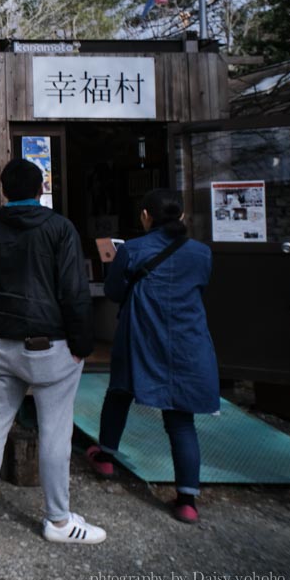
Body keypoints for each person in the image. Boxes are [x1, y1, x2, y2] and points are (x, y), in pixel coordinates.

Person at [0, 158, 105, 544]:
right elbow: (75, 291)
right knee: (55, 431)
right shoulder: (60, 228)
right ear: (40, 189)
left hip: (2, 345)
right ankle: (58, 522)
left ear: (4, 191)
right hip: (53, 347)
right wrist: (82, 345)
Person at [86, 188, 218, 524]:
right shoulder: (201, 253)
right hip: (187, 340)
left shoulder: (132, 249)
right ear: (183, 217)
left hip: (141, 335)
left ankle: (105, 456)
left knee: (119, 393)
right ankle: (187, 498)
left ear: (145, 216)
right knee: (180, 418)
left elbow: (114, 291)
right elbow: (199, 288)